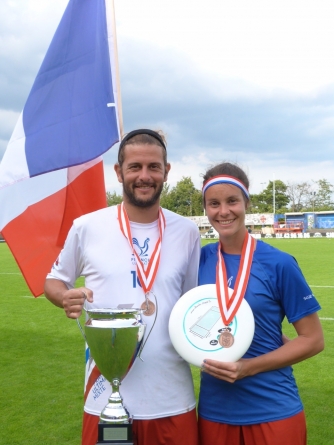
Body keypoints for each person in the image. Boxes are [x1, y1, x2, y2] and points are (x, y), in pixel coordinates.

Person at [44, 129, 200, 445]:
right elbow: (54, 280)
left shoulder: (187, 232)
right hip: (104, 397)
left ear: (166, 171)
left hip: (170, 397)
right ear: (119, 172)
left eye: (154, 167)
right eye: (135, 167)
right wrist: (65, 296)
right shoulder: (87, 227)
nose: (145, 176)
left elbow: (192, 305)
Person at [198, 162, 324, 445]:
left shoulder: (278, 263)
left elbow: (313, 340)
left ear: (247, 203)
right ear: (206, 209)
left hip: (274, 408)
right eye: (213, 203)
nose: (223, 211)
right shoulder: (198, 260)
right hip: (215, 410)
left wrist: (249, 367)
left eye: (232, 201)